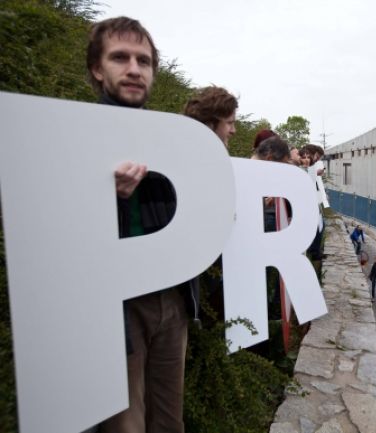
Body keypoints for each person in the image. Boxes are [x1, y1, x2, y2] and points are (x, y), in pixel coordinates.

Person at [88, 17, 193, 433]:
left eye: (143, 60)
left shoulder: (171, 138)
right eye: (120, 57)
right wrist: (96, 190)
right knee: (124, 424)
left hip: (173, 297)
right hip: (116, 305)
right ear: (98, 69)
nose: (134, 68)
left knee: (170, 421)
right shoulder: (74, 136)